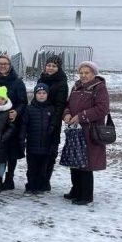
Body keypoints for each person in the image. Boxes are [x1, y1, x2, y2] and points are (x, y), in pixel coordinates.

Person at [63, 61, 109, 206]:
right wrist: (67, 114)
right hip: (74, 130)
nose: (83, 75)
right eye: (81, 73)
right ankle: (75, 190)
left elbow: (102, 109)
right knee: (74, 161)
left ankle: (86, 195)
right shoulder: (76, 86)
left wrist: (81, 116)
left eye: (86, 73)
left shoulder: (99, 88)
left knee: (86, 164)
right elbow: (68, 104)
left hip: (89, 131)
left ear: (93, 74)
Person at [0, 54, 27, 190]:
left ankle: (9, 178)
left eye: (6, 64)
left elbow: (23, 101)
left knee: (11, 151)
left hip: (11, 122)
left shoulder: (17, 82)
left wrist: (16, 111)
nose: (3, 66)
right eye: (0, 64)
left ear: (10, 66)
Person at [37, 55, 69, 191]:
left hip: (52, 122)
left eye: (54, 66)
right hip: (39, 120)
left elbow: (60, 105)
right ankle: (36, 178)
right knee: (37, 150)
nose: (50, 68)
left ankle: (45, 181)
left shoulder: (62, 83)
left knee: (50, 152)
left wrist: (53, 124)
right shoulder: (42, 79)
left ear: (58, 67)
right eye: (48, 65)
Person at [21, 83, 55, 195]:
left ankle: (41, 186)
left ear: (47, 95)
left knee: (43, 168)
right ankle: (31, 186)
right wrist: (22, 139)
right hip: (32, 144)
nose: (41, 95)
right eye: (39, 93)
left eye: (44, 93)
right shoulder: (29, 109)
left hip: (46, 145)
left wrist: (53, 140)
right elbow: (24, 125)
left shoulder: (51, 109)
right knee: (32, 168)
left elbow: (54, 126)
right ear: (35, 95)